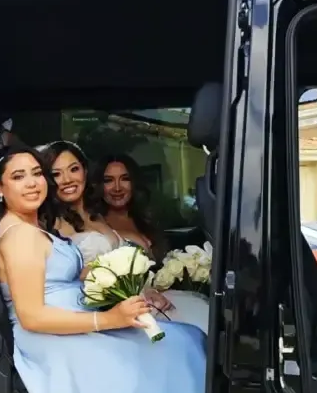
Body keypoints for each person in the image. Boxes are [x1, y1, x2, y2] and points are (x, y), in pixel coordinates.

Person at [0, 146, 206, 393]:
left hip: (76, 321)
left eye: (35, 174)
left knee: (186, 340)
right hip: (50, 337)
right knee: (172, 351)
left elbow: (58, 277)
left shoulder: (31, 228)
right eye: (18, 177)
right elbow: (32, 316)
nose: (32, 183)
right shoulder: (19, 236)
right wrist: (109, 319)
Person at [44, 141, 208, 334]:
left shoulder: (96, 214)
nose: (67, 179)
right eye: (56, 174)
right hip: (105, 309)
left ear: (85, 172)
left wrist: (145, 291)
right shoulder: (54, 224)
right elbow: (63, 275)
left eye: (73, 169)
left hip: (136, 299)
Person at [94, 153, 167, 262]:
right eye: (108, 180)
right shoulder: (94, 223)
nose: (117, 188)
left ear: (134, 183)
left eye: (125, 179)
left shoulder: (147, 219)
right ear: (99, 185)